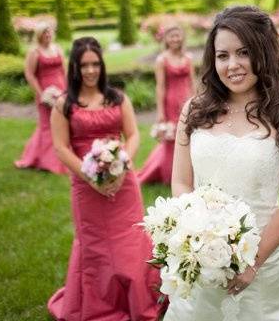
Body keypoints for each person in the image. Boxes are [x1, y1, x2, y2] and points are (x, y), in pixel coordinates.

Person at [164, 6, 279, 321]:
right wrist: (195, 239)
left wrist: (252, 262)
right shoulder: (194, 110)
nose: (232, 65)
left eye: (243, 53)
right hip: (202, 258)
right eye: (222, 56)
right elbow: (181, 181)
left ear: (263, 53)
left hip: (265, 263)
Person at [48, 37, 164, 321]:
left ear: (102, 65)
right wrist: (91, 177)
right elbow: (61, 148)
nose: (90, 70)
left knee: (131, 244)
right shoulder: (64, 104)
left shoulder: (117, 98)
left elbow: (133, 134)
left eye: (95, 64)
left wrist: (122, 164)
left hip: (122, 184)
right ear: (74, 67)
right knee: (96, 248)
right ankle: (100, 304)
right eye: (83, 65)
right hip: (86, 187)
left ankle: (138, 297)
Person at [137, 25, 195, 185]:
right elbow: (160, 86)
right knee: (171, 139)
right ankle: (169, 175)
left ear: (182, 38)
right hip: (171, 102)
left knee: (188, 136)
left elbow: (192, 81)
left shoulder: (188, 58)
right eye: (171, 36)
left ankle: (188, 172)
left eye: (177, 36)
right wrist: (160, 112)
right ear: (165, 40)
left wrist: (196, 101)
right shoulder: (161, 60)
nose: (175, 39)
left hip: (187, 101)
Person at [15, 24, 67, 174]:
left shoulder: (57, 48)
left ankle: (62, 157)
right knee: (47, 126)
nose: (48, 34)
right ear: (39, 35)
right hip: (45, 93)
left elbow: (64, 70)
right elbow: (29, 74)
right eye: (45, 32)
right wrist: (41, 93)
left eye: (50, 32)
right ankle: (46, 161)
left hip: (61, 90)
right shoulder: (34, 52)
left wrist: (68, 90)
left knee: (62, 124)